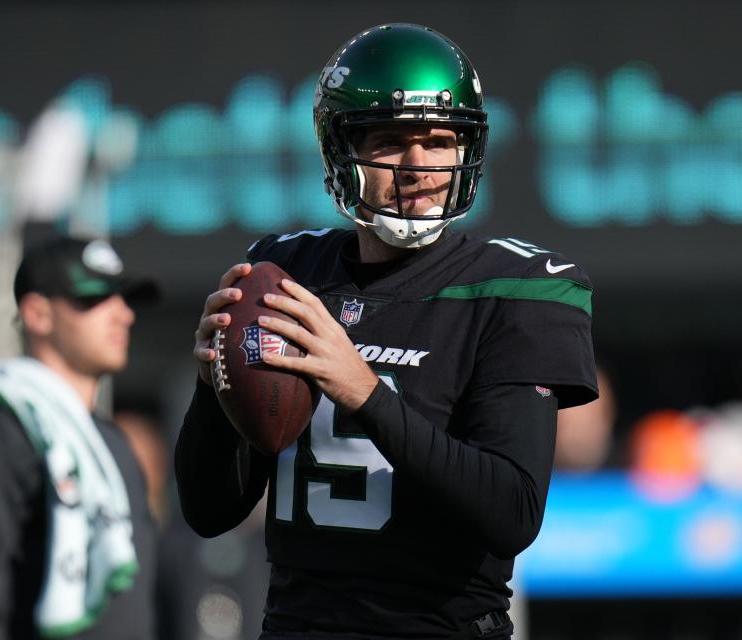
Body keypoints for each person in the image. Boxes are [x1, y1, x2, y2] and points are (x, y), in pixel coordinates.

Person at [175, 23, 598, 640]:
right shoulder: (290, 274)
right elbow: (209, 511)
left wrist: (363, 392)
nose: (417, 167)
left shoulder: (515, 289)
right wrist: (215, 386)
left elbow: (512, 512)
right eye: (391, 141)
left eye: (439, 141)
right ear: (340, 150)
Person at [0, 237, 160, 639]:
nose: (123, 315)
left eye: (124, 298)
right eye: (95, 298)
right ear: (37, 314)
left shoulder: (111, 443)